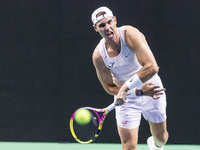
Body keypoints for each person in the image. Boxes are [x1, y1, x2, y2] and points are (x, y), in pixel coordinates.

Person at [91, 6, 169, 150]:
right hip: (126, 98)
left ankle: (156, 145)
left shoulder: (130, 34)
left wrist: (128, 88)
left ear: (115, 20)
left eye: (109, 22)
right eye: (102, 25)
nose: (107, 27)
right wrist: (137, 91)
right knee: (128, 147)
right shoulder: (98, 56)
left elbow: (152, 67)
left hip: (151, 88)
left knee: (161, 138)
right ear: (96, 28)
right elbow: (109, 87)